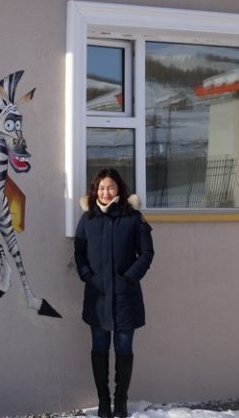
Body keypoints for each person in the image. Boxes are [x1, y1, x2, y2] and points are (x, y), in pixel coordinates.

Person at [74, 168, 155, 418]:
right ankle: (103, 401)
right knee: (99, 348)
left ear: (119, 188)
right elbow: (79, 252)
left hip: (125, 296)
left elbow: (147, 253)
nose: (105, 192)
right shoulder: (87, 219)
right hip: (97, 297)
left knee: (123, 348)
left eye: (110, 187)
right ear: (95, 190)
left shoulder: (133, 218)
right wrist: (87, 275)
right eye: (101, 188)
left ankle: (120, 402)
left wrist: (129, 278)